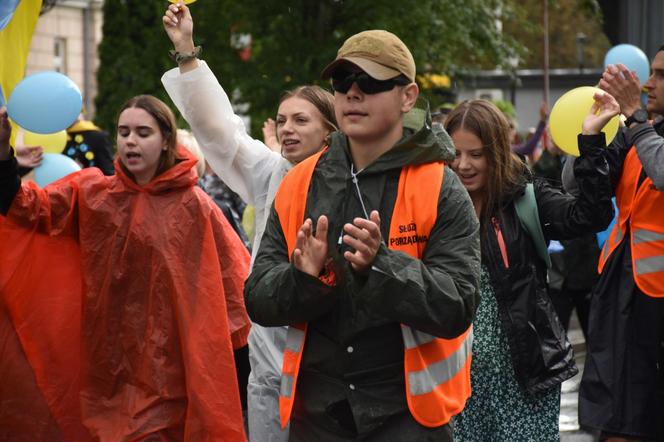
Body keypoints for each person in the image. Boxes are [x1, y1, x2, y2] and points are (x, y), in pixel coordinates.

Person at [244, 29, 480, 441]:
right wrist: (303, 278)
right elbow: (258, 297)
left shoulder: (440, 185)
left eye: (369, 83)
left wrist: (382, 266)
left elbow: (458, 304)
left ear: (407, 96)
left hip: (408, 416)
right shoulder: (298, 182)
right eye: (342, 83)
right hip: (317, 415)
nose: (352, 94)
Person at [0, 95, 250, 440]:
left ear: (165, 140)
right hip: (106, 370)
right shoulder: (94, 194)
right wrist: (2, 155)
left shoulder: (195, 207)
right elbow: (25, 208)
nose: (131, 140)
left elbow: (234, 295)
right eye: (124, 131)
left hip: (172, 375)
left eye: (143, 132)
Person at [161, 3, 338, 441]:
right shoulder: (269, 172)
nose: (288, 129)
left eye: (301, 120)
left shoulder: (354, 181)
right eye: (282, 121)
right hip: (270, 360)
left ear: (330, 131)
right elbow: (220, 130)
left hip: (332, 364)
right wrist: (186, 50)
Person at [445, 97, 616, 441]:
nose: (463, 165)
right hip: (455, 382)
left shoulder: (525, 198)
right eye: (455, 154)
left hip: (525, 377)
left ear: (495, 153)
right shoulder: (433, 205)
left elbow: (590, 215)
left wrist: (591, 142)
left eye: (475, 154)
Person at [579, 49, 664, 442]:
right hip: (624, 296)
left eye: (661, 75)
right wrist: (592, 136)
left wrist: (634, 118)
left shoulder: (643, 129)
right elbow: (577, 188)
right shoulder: (642, 130)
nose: (649, 84)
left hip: (653, 301)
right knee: (618, 422)